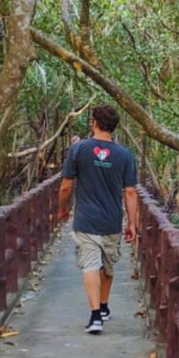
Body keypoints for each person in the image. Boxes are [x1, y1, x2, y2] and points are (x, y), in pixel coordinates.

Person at [57, 104, 139, 333]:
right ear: (114, 126)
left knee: (91, 265)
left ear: (94, 122)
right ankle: (101, 309)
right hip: (112, 220)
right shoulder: (124, 155)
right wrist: (132, 223)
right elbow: (130, 191)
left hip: (86, 219)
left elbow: (66, 186)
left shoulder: (78, 149)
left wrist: (62, 209)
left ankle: (96, 315)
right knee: (107, 266)